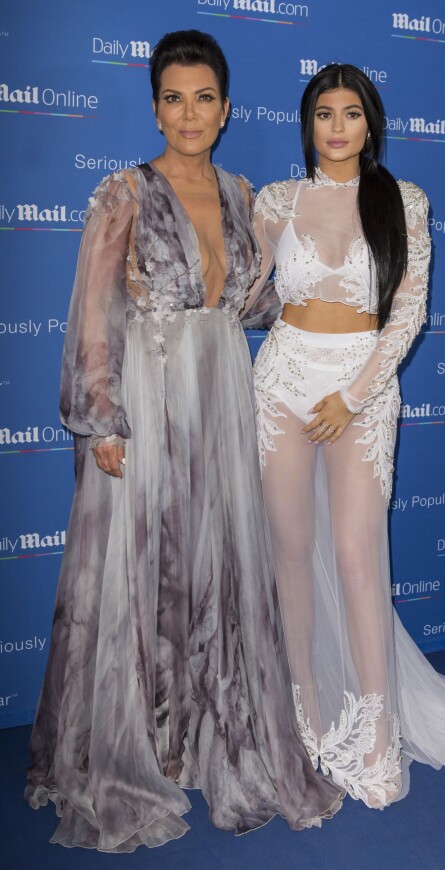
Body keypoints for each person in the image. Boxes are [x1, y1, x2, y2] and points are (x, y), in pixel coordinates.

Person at [24, 30, 342, 852]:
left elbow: (259, 305)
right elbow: (93, 311)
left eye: (204, 98)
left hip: (223, 396)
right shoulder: (123, 193)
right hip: (146, 397)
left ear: (227, 109)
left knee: (220, 569)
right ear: (155, 105)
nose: (188, 114)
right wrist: (100, 419)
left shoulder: (242, 193)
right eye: (173, 97)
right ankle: (138, 749)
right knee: (139, 571)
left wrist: (332, 306)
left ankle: (205, 735)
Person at [243, 63, 445, 809]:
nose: (338, 125)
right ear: (307, 123)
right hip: (280, 379)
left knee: (354, 557)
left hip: (364, 386)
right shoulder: (274, 201)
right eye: (323, 112)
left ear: (370, 123)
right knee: (287, 554)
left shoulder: (405, 201)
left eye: (351, 112)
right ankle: (307, 718)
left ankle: (375, 736)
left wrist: (350, 396)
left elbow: (407, 313)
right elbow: (252, 302)